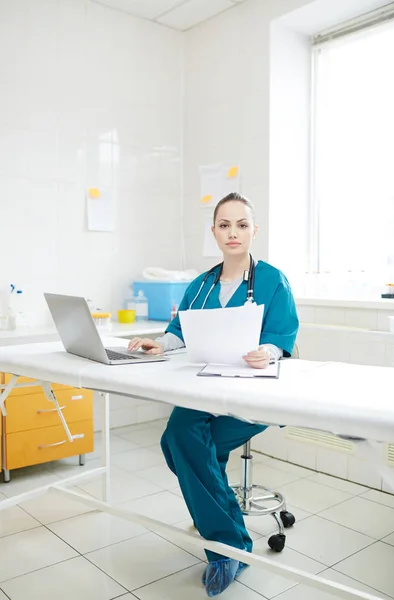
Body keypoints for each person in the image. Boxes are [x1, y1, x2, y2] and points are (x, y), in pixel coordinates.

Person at [128, 192, 299, 597]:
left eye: (242, 224)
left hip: (252, 394)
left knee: (180, 443)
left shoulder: (273, 281)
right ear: (214, 232)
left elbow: (283, 337)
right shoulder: (201, 285)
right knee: (182, 443)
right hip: (204, 389)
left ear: (254, 231)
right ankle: (229, 538)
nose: (233, 232)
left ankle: (224, 542)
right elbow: (179, 331)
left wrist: (268, 351)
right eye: (225, 225)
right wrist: (160, 343)